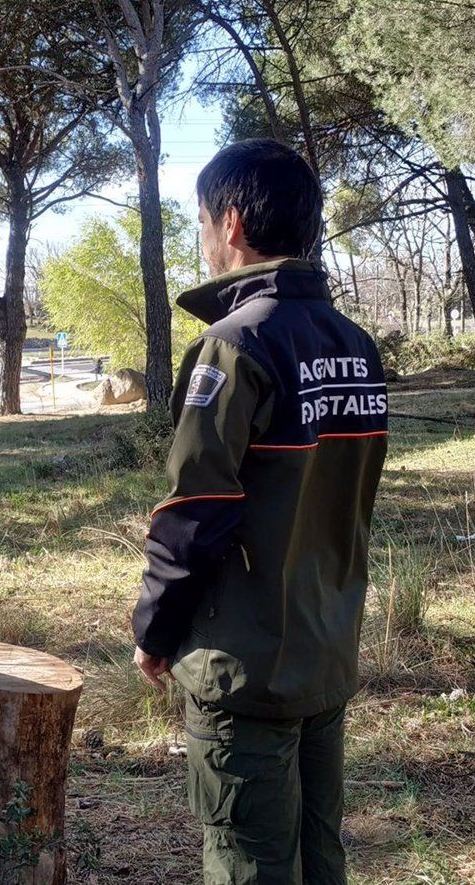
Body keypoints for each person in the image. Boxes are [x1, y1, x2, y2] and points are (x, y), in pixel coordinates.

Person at [130, 139, 388, 884]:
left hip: (243, 668)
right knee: (318, 858)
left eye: (202, 220)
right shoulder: (354, 344)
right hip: (324, 652)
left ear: (232, 222)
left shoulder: (234, 346)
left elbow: (195, 511)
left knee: (250, 862)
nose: (203, 239)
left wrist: (155, 631)